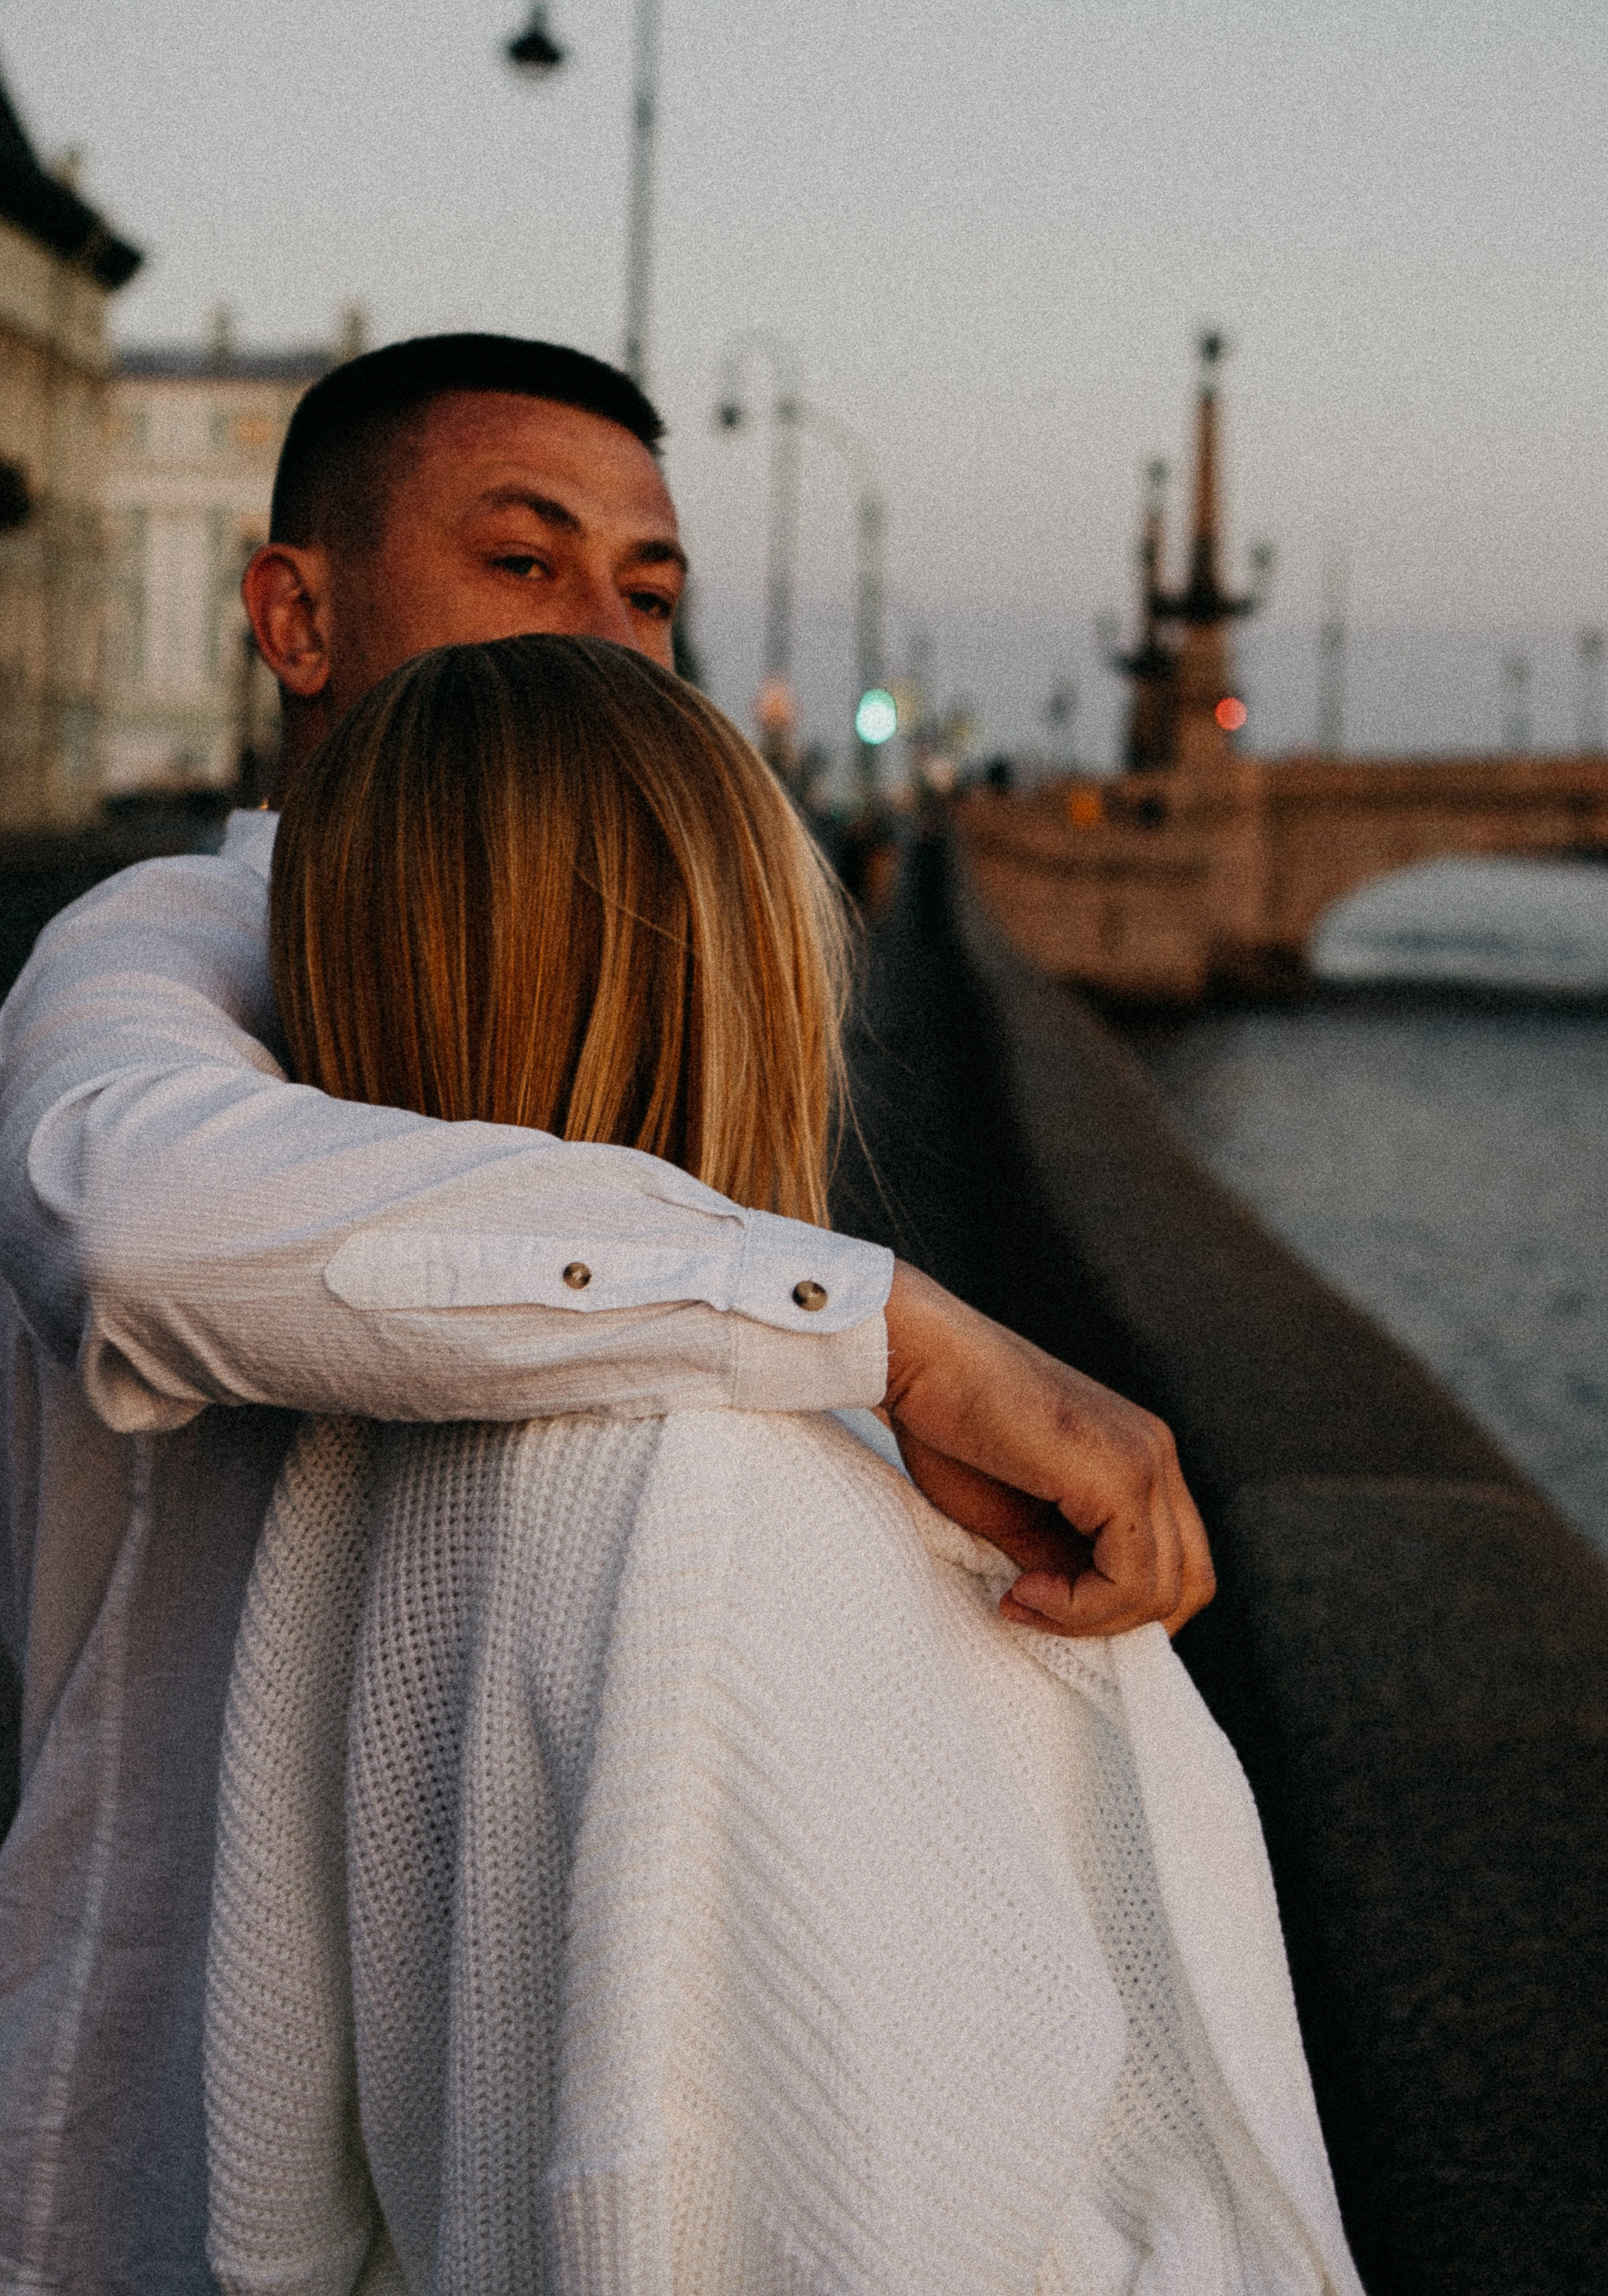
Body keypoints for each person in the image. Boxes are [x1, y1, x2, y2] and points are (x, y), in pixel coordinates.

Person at [0, 335, 1212, 2295]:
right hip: (146, 2144)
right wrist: (888, 1324)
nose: (606, 633)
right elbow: (136, 1226)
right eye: (523, 561)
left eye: (648, 592)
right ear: (294, 615)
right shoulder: (175, 948)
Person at [204, 633, 1359, 2296]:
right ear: (732, 967)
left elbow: (275, 2179)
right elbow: (850, 2215)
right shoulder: (725, 1515)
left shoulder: (329, 1470)